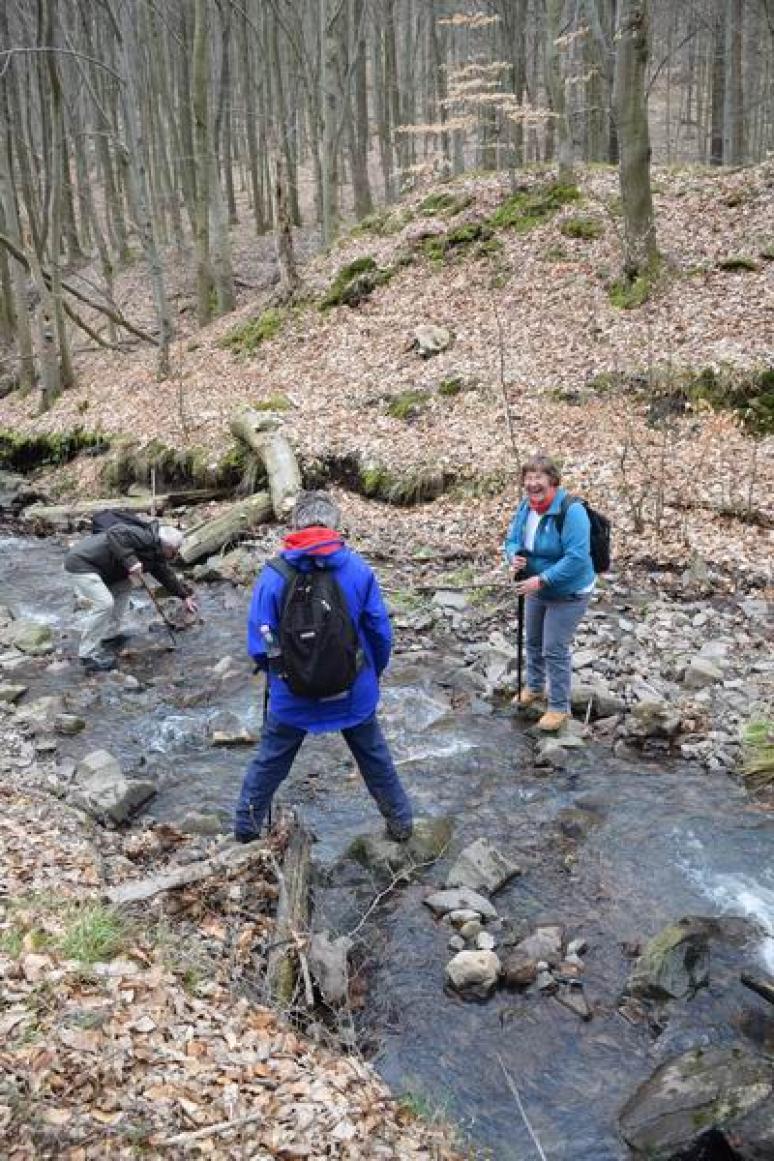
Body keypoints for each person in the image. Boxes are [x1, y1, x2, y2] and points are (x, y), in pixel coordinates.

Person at [234, 490, 413, 844]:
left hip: (292, 697)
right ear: (335, 524)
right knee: (374, 758)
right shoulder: (357, 569)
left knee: (270, 763)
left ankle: (245, 832)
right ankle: (401, 824)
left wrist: (278, 673)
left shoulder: (272, 576)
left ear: (294, 524)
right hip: (352, 690)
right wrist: (371, 674)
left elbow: (261, 641)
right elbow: (379, 630)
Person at [504, 454, 595, 732]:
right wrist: (514, 556)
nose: (533, 484)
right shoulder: (526, 507)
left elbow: (577, 557)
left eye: (539, 478)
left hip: (569, 590)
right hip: (535, 585)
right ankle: (534, 687)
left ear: (552, 481)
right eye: (528, 478)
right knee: (532, 641)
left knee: (554, 648)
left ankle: (559, 707)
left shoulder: (572, 511)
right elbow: (512, 539)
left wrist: (542, 580)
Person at [64, 521, 198, 672]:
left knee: (125, 586)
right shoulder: (145, 537)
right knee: (104, 604)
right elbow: (113, 533)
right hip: (81, 563)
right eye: (175, 551)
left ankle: (109, 635)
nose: (176, 555)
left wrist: (184, 596)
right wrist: (131, 561)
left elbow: (166, 575)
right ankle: (87, 655)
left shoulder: (157, 554)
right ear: (167, 547)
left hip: (104, 570)